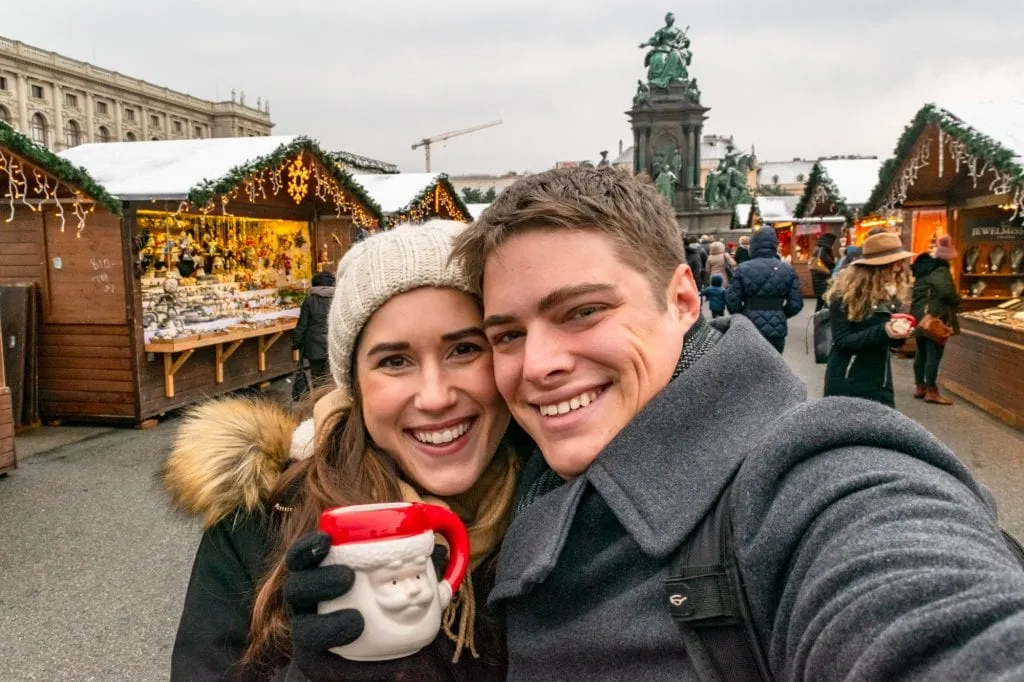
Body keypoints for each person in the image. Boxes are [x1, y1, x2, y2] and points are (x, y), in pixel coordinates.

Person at [449, 166, 1024, 680]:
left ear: (681, 299)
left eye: (583, 311)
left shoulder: (810, 480)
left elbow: (922, 604)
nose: (538, 365)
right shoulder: (508, 462)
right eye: (508, 335)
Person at [164, 220, 523, 681]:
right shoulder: (262, 518)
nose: (435, 396)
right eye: (395, 361)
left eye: (465, 350)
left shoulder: (564, 500)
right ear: (353, 385)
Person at [822, 232, 914, 408]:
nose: (900, 268)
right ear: (881, 266)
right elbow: (842, 341)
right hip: (849, 379)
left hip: (880, 379)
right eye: (896, 263)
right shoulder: (843, 295)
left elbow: (887, 341)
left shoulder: (887, 294)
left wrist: (898, 335)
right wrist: (885, 330)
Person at [725, 227, 803, 352]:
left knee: (749, 368)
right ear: (774, 245)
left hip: (749, 327)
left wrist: (744, 314)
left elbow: (732, 302)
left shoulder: (742, 269)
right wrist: (780, 313)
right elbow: (796, 304)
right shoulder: (787, 269)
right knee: (775, 369)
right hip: (776, 330)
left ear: (753, 245)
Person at [911, 234, 960, 405]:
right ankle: (931, 390)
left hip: (920, 316)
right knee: (934, 353)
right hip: (934, 317)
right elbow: (947, 293)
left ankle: (920, 386)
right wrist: (957, 300)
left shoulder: (923, 270)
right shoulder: (940, 270)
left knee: (922, 352)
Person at [291, 269, 336, 384]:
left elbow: (302, 325)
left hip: (314, 346)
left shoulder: (309, 301)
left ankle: (318, 400)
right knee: (333, 379)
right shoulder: (337, 299)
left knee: (317, 378)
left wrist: (296, 343)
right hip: (333, 344)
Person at [811, 232, 838, 311]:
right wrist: (834, 264)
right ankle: (821, 320)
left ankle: (817, 319)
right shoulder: (823, 249)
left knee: (820, 302)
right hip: (823, 280)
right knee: (824, 302)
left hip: (817, 280)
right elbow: (826, 260)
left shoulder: (817, 248)